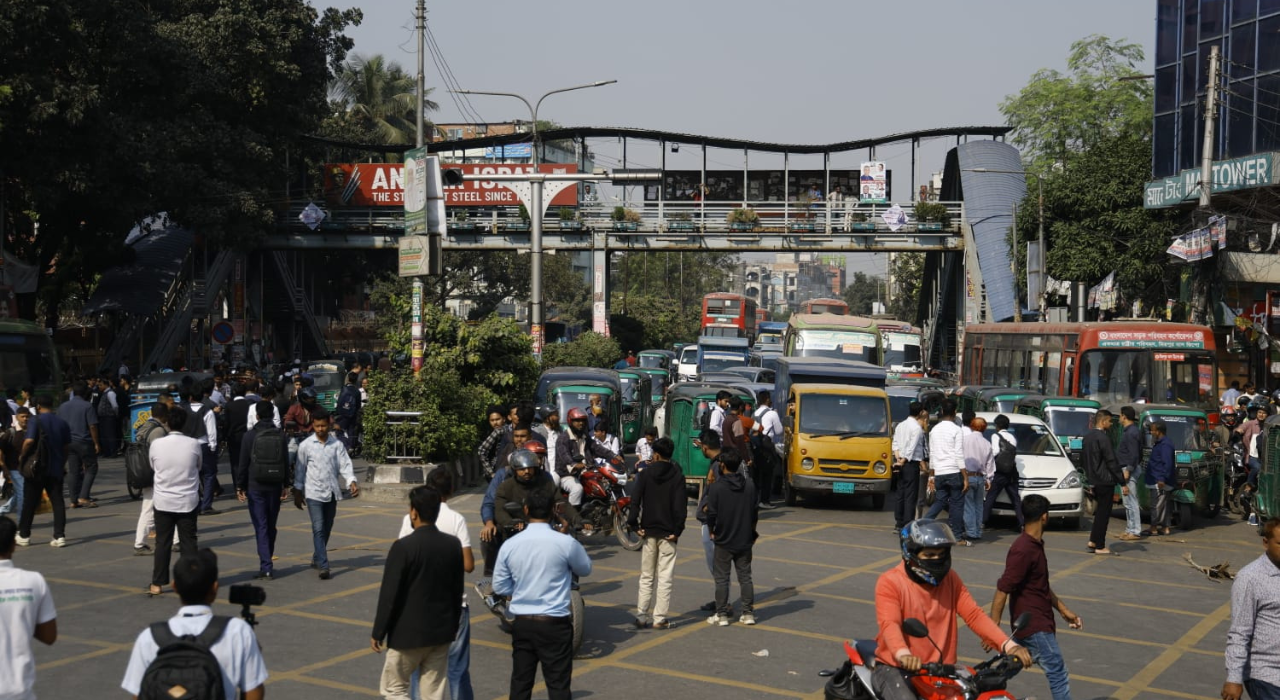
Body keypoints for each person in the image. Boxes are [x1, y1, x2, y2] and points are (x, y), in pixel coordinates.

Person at [871, 520, 1031, 700]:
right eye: (929, 555)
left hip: (941, 671)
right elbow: (890, 624)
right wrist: (903, 655)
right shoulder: (891, 582)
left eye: (941, 554)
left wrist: (1009, 646)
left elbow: (974, 615)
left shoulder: (950, 579)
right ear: (910, 553)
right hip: (896, 669)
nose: (937, 560)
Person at [122, 549, 267, 700]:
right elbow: (254, 691)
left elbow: (138, 694)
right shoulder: (237, 631)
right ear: (215, 588)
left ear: (174, 587)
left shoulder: (149, 637)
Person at [493, 489, 592, 700]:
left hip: (522, 623)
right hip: (555, 623)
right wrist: (565, 535)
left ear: (526, 510)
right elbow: (584, 569)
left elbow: (500, 587)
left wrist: (521, 591)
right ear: (553, 511)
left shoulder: (510, 545)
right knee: (558, 686)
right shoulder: (565, 543)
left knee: (521, 683)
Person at [372, 485, 464, 700]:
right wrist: (452, 627)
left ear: (414, 512)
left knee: (395, 689)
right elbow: (457, 590)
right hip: (440, 633)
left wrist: (379, 631)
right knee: (433, 693)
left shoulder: (403, 547)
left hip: (407, 634)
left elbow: (389, 594)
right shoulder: (452, 545)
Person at [990, 494, 1082, 700]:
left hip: (1030, 623)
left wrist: (1064, 610)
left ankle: (979, 687)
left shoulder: (1033, 545)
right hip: (1035, 626)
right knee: (1057, 672)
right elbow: (1003, 589)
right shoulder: (1023, 549)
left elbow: (1040, 585)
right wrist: (992, 629)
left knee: (1010, 665)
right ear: (1044, 517)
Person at [398, 468, 474, 700]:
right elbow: (468, 564)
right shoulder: (456, 519)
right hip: (452, 605)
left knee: (419, 669)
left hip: (419, 606)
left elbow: (401, 559)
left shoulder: (411, 518)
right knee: (457, 669)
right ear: (451, 490)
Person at [628, 437, 686, 629]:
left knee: (646, 576)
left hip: (649, 531)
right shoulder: (677, 475)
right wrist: (678, 530)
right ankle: (659, 618)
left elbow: (635, 500)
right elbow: (680, 507)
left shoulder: (645, 474)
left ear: (657, 454)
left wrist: (634, 524)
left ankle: (641, 616)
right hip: (669, 533)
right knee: (665, 577)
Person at [293, 411, 358, 580]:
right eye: (317, 426)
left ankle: (317, 557)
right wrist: (298, 491)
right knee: (318, 528)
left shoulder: (336, 445)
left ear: (329, 425)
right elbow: (300, 470)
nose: (320, 429)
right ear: (313, 426)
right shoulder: (306, 445)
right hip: (313, 493)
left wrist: (351, 481)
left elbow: (345, 465)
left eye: (323, 426)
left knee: (327, 528)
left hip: (331, 492)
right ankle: (323, 565)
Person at [0, 515, 57, 700]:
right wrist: (20, 617)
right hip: (20, 692)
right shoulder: (33, 581)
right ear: (13, 545)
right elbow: (49, 636)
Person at [1223, 517, 1280, 700]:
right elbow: (1240, 631)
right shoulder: (1250, 578)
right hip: (1266, 675)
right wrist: (1234, 679)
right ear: (1266, 543)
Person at [147, 409, 202, 597]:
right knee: (189, 542)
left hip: (163, 499)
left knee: (162, 542)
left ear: (167, 423)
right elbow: (198, 466)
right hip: (187, 500)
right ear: (184, 424)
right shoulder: (194, 444)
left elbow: (153, 466)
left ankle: (157, 583)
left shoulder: (157, 444)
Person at [704, 447, 759, 626]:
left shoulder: (717, 487)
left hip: (723, 538)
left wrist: (711, 530)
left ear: (722, 465)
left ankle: (721, 615)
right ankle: (748, 613)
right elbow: (754, 513)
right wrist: (752, 532)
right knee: (745, 577)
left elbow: (711, 514)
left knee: (722, 578)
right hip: (744, 538)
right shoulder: (749, 485)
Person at [235, 401, 289, 580]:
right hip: (275, 484)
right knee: (271, 525)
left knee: (261, 525)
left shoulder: (249, 436)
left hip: (255, 485)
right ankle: (267, 560)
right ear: (273, 415)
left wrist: (240, 486)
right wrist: (286, 484)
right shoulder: (280, 435)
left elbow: (243, 463)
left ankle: (266, 565)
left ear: (257, 416)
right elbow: (285, 460)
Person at [16, 396, 71, 548]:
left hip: (37, 469)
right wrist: (61, 463)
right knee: (58, 502)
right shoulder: (62, 422)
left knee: (30, 502)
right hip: (55, 468)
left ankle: (24, 535)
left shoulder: (35, 420)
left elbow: (29, 441)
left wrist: (22, 456)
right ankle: (59, 535)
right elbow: (66, 446)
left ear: (38, 406)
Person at [554, 408, 621, 508]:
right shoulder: (563, 438)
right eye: (577, 421)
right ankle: (574, 514)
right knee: (577, 489)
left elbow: (597, 448)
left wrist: (614, 456)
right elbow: (564, 455)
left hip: (587, 471)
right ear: (570, 421)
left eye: (583, 420)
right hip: (567, 474)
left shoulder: (585, 436)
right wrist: (574, 464)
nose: (581, 423)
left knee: (606, 484)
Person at [924, 399, 968, 546]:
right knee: (957, 504)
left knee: (940, 501)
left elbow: (932, 453)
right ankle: (957, 536)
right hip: (954, 470)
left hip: (940, 471)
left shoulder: (934, 430)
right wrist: (965, 477)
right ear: (955, 413)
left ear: (942, 411)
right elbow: (959, 454)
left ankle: (923, 523)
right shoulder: (957, 430)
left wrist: (931, 475)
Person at [1082, 409, 1124, 555]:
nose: (1111, 424)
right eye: (1110, 421)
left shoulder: (1087, 437)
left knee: (1099, 513)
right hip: (1105, 480)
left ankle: (1093, 541)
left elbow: (1084, 460)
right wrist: (1122, 481)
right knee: (1103, 514)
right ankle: (1100, 545)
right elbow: (1111, 461)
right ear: (1103, 421)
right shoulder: (1103, 438)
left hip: (1093, 479)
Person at [132, 402, 171, 556]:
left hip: (144, 471)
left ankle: (175, 540)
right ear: (164, 415)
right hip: (155, 474)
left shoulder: (145, 426)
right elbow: (159, 454)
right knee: (149, 509)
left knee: (152, 508)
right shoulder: (158, 431)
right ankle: (140, 544)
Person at [56, 381, 100, 510]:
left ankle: (73, 500)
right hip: (84, 441)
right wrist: (96, 442)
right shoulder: (87, 406)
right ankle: (84, 496)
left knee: (73, 470)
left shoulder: (63, 406)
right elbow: (92, 426)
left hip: (68, 442)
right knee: (91, 467)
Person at [179, 384, 220, 516]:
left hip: (187, 445)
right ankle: (206, 505)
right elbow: (211, 431)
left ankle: (195, 503)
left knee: (192, 475)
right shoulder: (207, 411)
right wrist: (213, 446)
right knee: (209, 475)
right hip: (203, 445)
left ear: (190, 397)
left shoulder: (184, 410)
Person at [694, 428, 723, 612]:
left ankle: (723, 603)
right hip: (712, 521)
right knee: (717, 566)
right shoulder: (720, 462)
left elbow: (719, 494)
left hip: (713, 522)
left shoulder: (718, 465)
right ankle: (721, 599)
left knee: (717, 565)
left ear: (705, 447)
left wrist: (708, 510)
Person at [983, 414, 1024, 530]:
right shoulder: (1013, 437)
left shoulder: (995, 436)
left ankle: (983, 521)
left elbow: (995, 451)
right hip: (1011, 471)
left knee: (991, 497)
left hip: (1000, 472)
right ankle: (1021, 523)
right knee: (1015, 498)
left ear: (997, 426)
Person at [892, 402, 929, 531]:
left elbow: (895, 443)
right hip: (910, 463)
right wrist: (903, 460)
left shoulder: (900, 425)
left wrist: (898, 458)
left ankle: (899, 522)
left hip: (899, 462)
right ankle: (907, 523)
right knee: (910, 495)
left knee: (900, 493)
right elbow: (911, 448)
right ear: (920, 412)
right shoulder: (917, 428)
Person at [961, 416, 994, 541]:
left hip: (967, 476)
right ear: (984, 428)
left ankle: (971, 532)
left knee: (968, 505)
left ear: (971, 426)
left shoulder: (964, 440)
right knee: (979, 505)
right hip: (980, 477)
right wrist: (989, 479)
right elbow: (990, 464)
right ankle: (978, 531)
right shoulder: (987, 443)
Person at [1116, 406, 1145, 542]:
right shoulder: (1130, 431)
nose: (1119, 418)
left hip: (1129, 469)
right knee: (1127, 502)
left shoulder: (1131, 432)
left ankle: (1135, 531)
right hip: (1128, 468)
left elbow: (1134, 454)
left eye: (1120, 415)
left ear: (1124, 416)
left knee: (1132, 501)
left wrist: (1128, 470)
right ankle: (1129, 529)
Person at [752, 390, 784, 509]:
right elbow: (779, 431)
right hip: (766, 445)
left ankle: (754, 500)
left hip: (756, 444)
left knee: (756, 475)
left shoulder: (755, 413)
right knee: (768, 474)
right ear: (767, 399)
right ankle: (764, 501)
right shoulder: (772, 414)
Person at [1146, 420, 1174, 537]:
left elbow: (1167, 463)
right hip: (1158, 478)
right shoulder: (1160, 443)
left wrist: (1162, 478)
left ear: (1158, 432)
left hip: (1159, 480)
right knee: (1163, 504)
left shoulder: (1165, 445)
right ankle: (1165, 527)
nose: (1151, 432)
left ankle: (1154, 527)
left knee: (1156, 505)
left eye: (1153, 430)